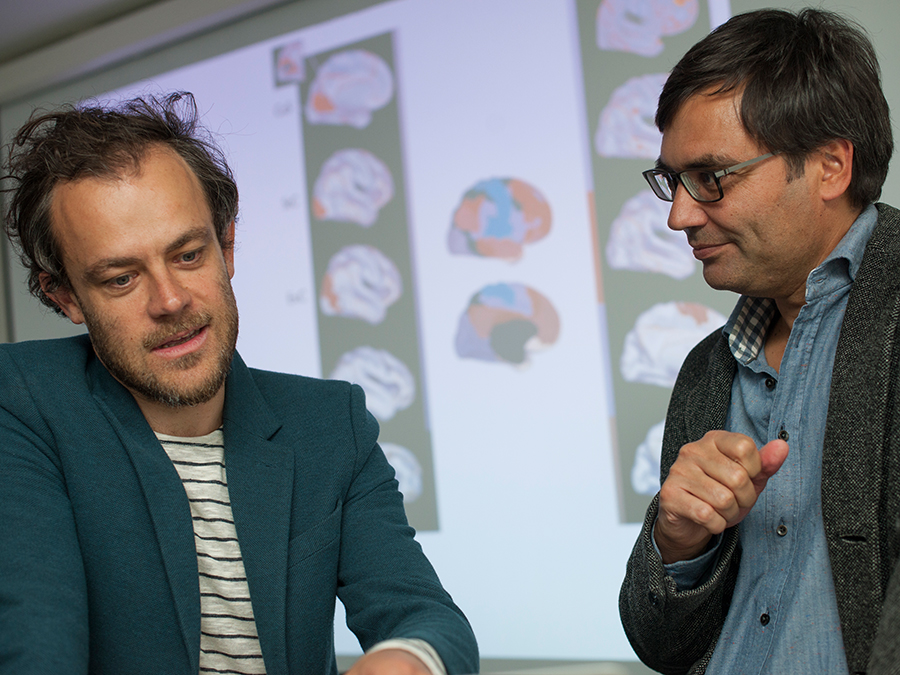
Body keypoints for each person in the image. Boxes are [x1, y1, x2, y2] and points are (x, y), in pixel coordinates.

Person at [0, 92, 478, 675]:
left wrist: (405, 661)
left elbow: (426, 618)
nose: (170, 300)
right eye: (122, 278)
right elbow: (36, 643)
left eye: (188, 254)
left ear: (226, 247)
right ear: (66, 296)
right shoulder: (21, 401)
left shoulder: (331, 422)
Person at [618, 7, 900, 675]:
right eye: (672, 180)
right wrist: (677, 541)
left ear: (830, 166)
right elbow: (661, 649)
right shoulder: (707, 368)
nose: (679, 214)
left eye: (712, 177)